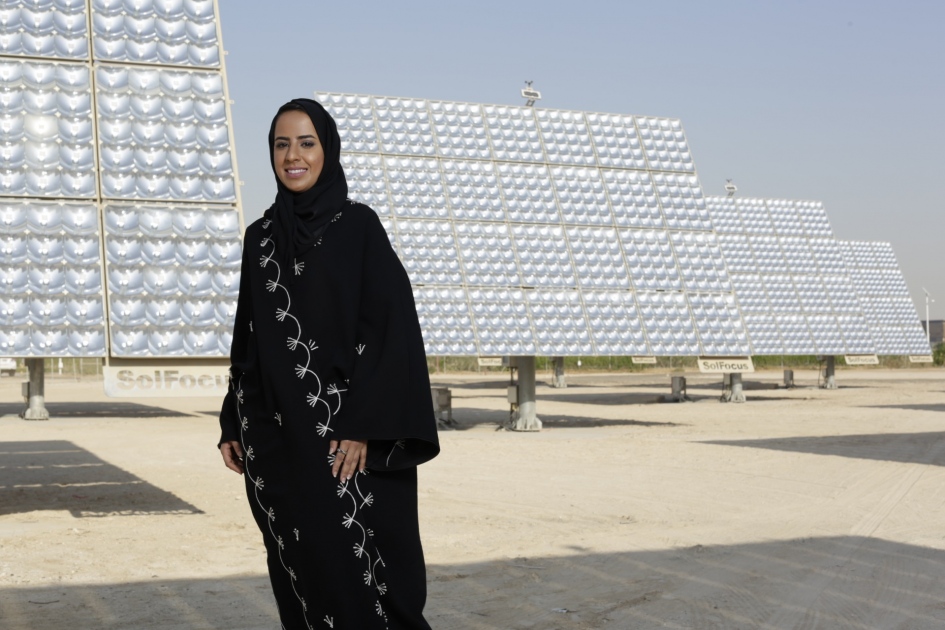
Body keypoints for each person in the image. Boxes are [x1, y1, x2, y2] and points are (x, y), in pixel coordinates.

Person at [218, 98, 440, 629]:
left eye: (306, 143)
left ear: (328, 149)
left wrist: (364, 426)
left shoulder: (358, 227)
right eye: (281, 144)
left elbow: (390, 331)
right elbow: (248, 340)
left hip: (348, 442)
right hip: (279, 444)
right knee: (305, 574)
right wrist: (231, 421)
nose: (292, 156)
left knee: (376, 576)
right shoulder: (260, 239)